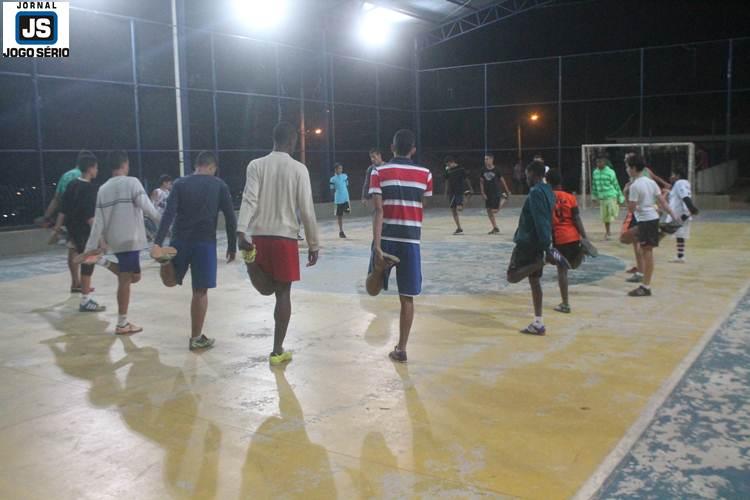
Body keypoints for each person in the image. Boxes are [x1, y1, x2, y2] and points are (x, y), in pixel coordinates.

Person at [236, 122, 320, 366]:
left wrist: (242, 231)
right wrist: (314, 244)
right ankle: (277, 350)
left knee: (266, 287)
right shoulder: (298, 169)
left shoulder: (255, 165)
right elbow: (306, 209)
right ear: (292, 142)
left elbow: (249, 198)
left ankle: (250, 260)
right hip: (285, 239)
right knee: (282, 293)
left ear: (273, 139)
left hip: (259, 236)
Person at [151, 151, 237, 351]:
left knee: (171, 282)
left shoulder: (180, 184)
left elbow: (168, 215)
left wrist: (157, 242)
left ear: (196, 165)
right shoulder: (219, 185)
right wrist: (232, 246)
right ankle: (196, 338)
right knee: (200, 291)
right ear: (212, 167)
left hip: (179, 240)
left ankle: (165, 262)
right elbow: (230, 218)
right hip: (204, 243)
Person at [366, 129, 432, 363]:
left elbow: (378, 209)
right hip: (410, 240)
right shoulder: (425, 174)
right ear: (412, 149)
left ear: (392, 147)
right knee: (407, 297)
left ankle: (379, 269)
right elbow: (423, 201)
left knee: (372, 289)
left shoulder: (378, 172)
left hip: (386, 237)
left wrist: (377, 245)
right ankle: (401, 348)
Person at [77, 151, 163, 334]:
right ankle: (122, 323)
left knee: (134, 277)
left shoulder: (103, 189)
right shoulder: (132, 182)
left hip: (116, 240)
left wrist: (90, 247)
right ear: (125, 164)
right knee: (126, 279)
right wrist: (164, 224)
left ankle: (101, 261)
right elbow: (148, 208)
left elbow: (98, 220)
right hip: (130, 239)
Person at [506, 161, 569, 335]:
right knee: (535, 282)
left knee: (512, 276)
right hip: (538, 241)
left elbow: (540, 220)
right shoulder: (549, 191)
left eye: (526, 174)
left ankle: (542, 261)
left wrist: (545, 247)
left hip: (528, 243)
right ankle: (538, 322)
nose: (525, 178)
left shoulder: (536, 193)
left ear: (534, 174)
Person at [619, 153, 681, 297]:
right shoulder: (650, 182)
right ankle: (658, 232)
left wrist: (626, 194)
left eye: (628, 167)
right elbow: (662, 201)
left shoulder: (634, 186)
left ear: (634, 168)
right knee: (628, 239)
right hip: (650, 219)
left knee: (646, 251)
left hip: (646, 221)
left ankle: (645, 287)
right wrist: (673, 215)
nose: (627, 169)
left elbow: (631, 209)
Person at [547, 168, 597, 314]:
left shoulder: (547, 197)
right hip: (573, 237)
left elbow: (547, 221)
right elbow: (576, 218)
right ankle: (581, 251)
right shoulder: (570, 197)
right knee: (571, 265)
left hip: (559, 238)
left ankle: (565, 303)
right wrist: (584, 236)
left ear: (548, 182)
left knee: (561, 271)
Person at [59, 153, 104, 312]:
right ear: (91, 168)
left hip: (72, 228)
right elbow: (90, 216)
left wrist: (58, 228)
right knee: (89, 260)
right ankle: (85, 300)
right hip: (84, 231)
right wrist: (100, 238)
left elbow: (63, 209)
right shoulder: (90, 188)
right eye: (96, 167)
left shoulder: (72, 184)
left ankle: (82, 289)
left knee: (84, 257)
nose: (97, 171)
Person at [48, 150, 93, 293]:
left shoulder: (66, 176)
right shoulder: (81, 177)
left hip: (67, 218)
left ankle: (76, 282)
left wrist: (49, 217)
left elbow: (58, 198)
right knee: (82, 250)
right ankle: (80, 284)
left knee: (72, 248)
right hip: (80, 220)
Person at [664, 166, 699, 263]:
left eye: (673, 175)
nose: (670, 177)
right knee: (680, 236)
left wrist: (691, 208)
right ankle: (680, 256)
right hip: (683, 214)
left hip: (679, 215)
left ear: (678, 176)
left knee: (663, 231)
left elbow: (685, 196)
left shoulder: (680, 183)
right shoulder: (684, 184)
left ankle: (646, 249)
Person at [480, 153, 511, 235]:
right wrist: (482, 192)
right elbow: (481, 182)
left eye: (487, 159)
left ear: (491, 159)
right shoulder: (483, 169)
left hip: (496, 192)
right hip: (487, 193)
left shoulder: (497, 169)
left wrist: (507, 190)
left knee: (495, 210)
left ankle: (504, 199)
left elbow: (502, 180)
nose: (485, 161)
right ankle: (495, 227)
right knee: (488, 210)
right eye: (485, 159)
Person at [443, 156, 471, 235]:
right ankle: (459, 227)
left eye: (448, 164)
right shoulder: (448, 170)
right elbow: (446, 181)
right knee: (453, 210)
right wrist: (445, 192)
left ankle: (466, 198)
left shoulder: (461, 169)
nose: (447, 166)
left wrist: (470, 188)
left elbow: (466, 179)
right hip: (451, 192)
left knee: (459, 209)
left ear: (451, 162)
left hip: (459, 191)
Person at [146, 174, 172, 241]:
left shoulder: (168, 192)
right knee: (159, 234)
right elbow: (152, 203)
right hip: (157, 215)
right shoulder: (157, 191)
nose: (170, 185)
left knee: (167, 234)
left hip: (164, 216)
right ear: (164, 183)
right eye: (169, 183)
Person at [329, 162, 350, 238]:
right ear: (335, 170)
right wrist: (333, 197)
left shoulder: (345, 176)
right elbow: (332, 189)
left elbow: (347, 185)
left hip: (345, 198)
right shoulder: (332, 179)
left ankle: (342, 229)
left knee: (347, 212)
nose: (340, 170)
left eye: (341, 168)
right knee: (339, 216)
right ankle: (341, 231)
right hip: (338, 200)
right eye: (338, 168)